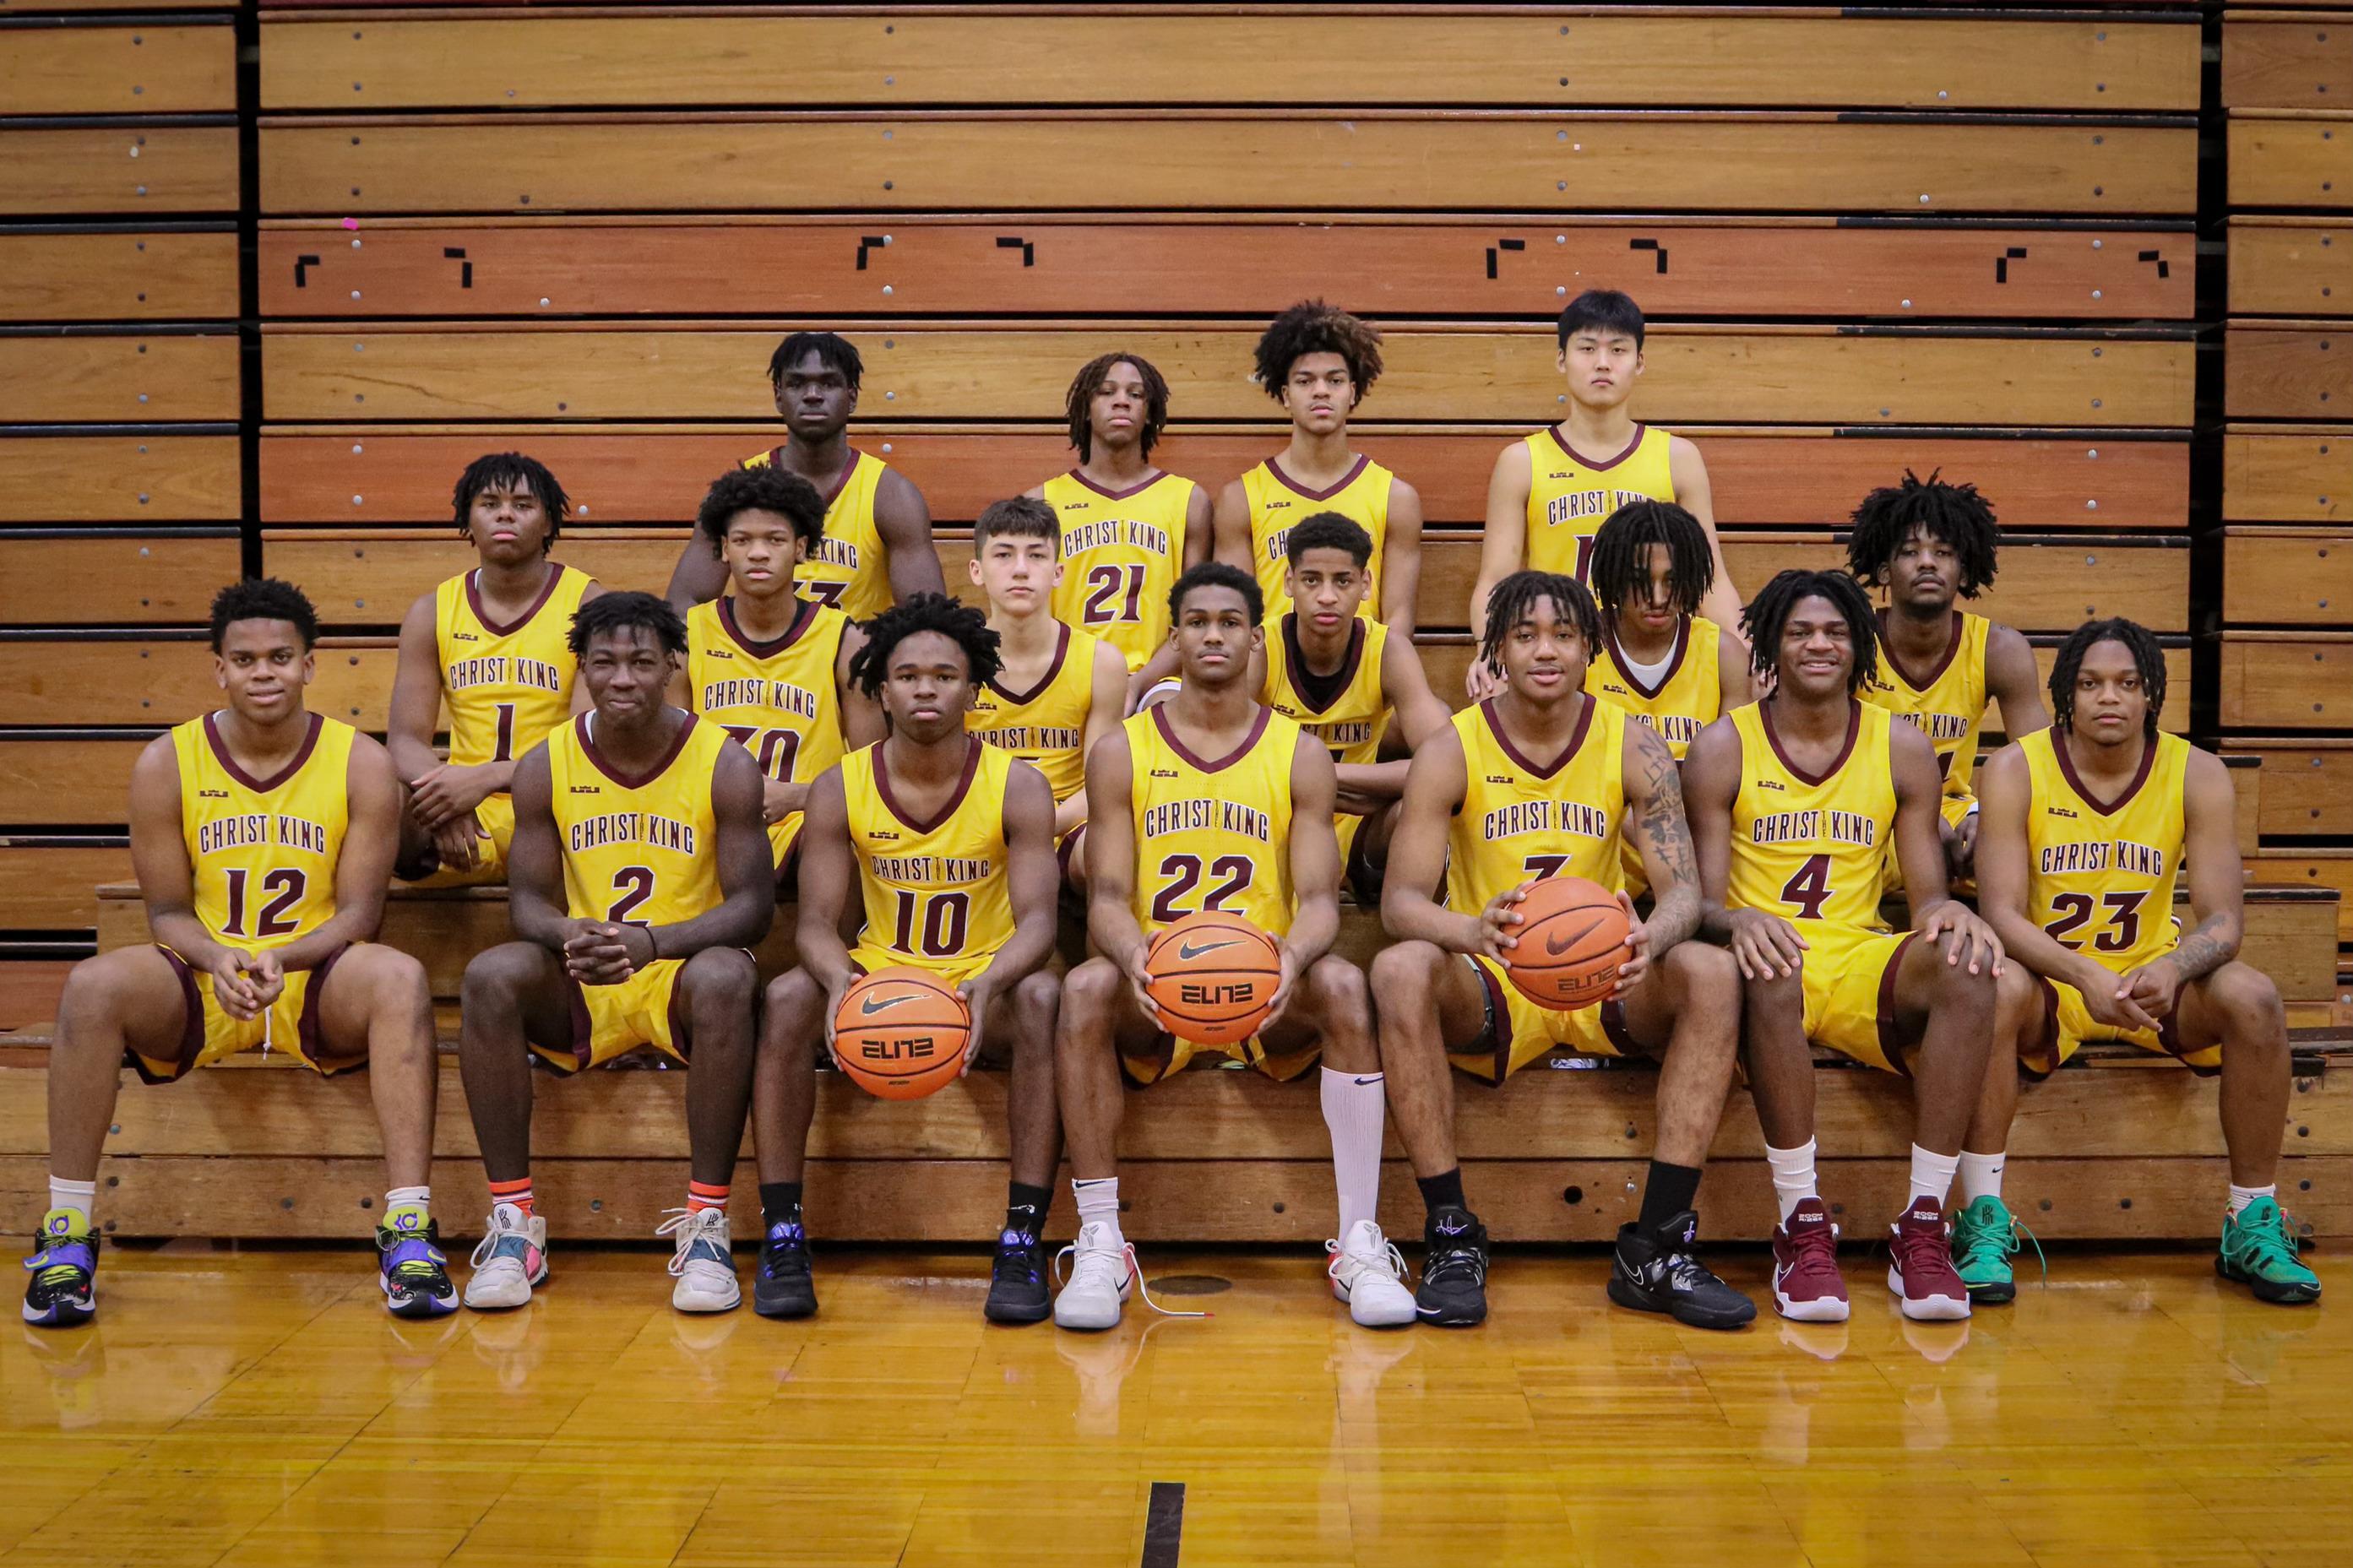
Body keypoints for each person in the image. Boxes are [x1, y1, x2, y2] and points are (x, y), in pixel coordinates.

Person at [24, 580, 448, 1327]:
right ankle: (67, 1237)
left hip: (316, 976)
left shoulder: (360, 763)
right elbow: (164, 911)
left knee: (401, 978)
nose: (263, 672)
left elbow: (359, 915)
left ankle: (409, 1230)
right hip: (202, 977)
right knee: (91, 986)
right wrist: (218, 958)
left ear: (311, 665)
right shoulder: (167, 761)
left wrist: (281, 957)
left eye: (281, 657)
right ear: (218, 667)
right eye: (245, 658)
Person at [1369, 571, 1753, 1330]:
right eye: (1525, 635)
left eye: (1564, 635)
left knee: (1709, 968)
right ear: (1498, 650)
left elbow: (1683, 891)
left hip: (1609, 975)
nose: (1545, 650)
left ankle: (1657, 1245)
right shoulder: (1452, 746)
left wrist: (1654, 933)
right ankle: (1450, 1231)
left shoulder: (1632, 743)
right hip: (1495, 977)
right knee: (1397, 965)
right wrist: (1471, 931)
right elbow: (1400, 903)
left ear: (1591, 649)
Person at [1052, 562, 1411, 1332]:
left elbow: (1319, 901)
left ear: (1255, 637)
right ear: (1174, 637)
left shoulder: (1299, 754)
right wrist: (1135, 957)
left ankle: (1357, 1240)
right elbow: (1107, 899)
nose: (1211, 634)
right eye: (1195, 622)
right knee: (1083, 987)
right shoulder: (1120, 750)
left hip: (1263, 985)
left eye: (1227, 622)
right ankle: (1100, 1240)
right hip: (1158, 981)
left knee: (1345, 983)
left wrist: (1291, 958)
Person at [1682, 569, 2008, 1323]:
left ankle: (1923, 1221)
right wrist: (1738, 920)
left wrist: (1954, 917)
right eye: (1799, 631)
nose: (1818, 644)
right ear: (1769, 645)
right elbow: (1698, 902)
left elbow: (1926, 894)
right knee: (1770, 967)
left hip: (1859, 954)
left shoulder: (1900, 744)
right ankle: (1802, 1223)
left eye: (1834, 631)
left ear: (1860, 644)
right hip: (1765, 957)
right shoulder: (1723, 746)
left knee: (1968, 964)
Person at [1968, 618, 2319, 1305]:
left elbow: (2224, 921)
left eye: (2128, 684)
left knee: (2254, 996)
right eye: (2093, 683)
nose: (2111, 698)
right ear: (2067, 691)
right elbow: (2001, 915)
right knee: (1992, 985)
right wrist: (2083, 974)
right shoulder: (2015, 767)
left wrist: (2178, 966)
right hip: (2054, 983)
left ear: (2152, 694)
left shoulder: (2198, 772)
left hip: (2153, 985)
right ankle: (1981, 1218)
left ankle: (2250, 1218)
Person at [752, 594, 1066, 1323]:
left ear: (974, 686)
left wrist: (988, 985)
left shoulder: (1018, 783)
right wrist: (837, 982)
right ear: (881, 688)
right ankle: (784, 1232)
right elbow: (818, 924)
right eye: (909, 675)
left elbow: (1041, 921)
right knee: (788, 997)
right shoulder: (840, 784)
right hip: (882, 973)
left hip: (987, 971)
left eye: (946, 675)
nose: (927, 688)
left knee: (1048, 998)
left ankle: (1022, 1236)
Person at [456, 593, 773, 1316]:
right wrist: (574, 936)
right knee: (489, 975)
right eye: (604, 662)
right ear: (584, 670)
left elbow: (753, 908)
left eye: (640, 661)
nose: (621, 677)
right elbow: (527, 904)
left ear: (671, 667)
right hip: (588, 970)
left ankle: (706, 1224)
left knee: (729, 975)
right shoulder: (545, 762)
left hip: (679, 974)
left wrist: (653, 943)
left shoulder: (723, 762)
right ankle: (514, 1226)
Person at [1467, 290, 1739, 697]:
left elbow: (1710, 579)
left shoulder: (1678, 458)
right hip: (1560, 652)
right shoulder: (1521, 461)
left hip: (1649, 649)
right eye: (1587, 348)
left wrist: (1751, 649)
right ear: (1561, 358)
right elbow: (1496, 577)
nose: (1602, 363)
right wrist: (1489, 650)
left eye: (1618, 349)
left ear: (1639, 362)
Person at [388, 453, 601, 884]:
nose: (506, 513)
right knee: (381, 800)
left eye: (523, 505)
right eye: (490, 503)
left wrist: (485, 779)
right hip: (465, 812)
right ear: (468, 519)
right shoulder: (432, 611)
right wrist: (443, 798)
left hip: (558, 805)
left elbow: (586, 742)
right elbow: (405, 739)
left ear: (547, 523)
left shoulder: (589, 605)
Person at [674, 465, 882, 889]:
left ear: (801, 548)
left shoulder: (845, 640)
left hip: (804, 819)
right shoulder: (686, 636)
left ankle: (829, 953)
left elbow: (874, 771)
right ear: (723, 550)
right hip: (704, 817)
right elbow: (668, 760)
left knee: (843, 837)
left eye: (774, 540)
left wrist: (800, 796)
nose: (758, 553)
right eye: (743, 540)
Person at [1849, 471, 2048, 882]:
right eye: (1909, 552)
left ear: (1964, 568)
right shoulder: (1852, 641)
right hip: (1862, 806)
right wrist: (1913, 816)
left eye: (1943, 552)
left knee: (2025, 845)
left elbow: (2042, 766)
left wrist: (1989, 816)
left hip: (1955, 808)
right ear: (1885, 570)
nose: (1927, 562)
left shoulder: (1999, 649)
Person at [664, 330, 943, 619]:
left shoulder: (889, 494)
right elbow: (684, 605)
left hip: (854, 660)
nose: (812, 396)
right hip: (761, 661)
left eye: (828, 383)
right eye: (797, 384)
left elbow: (927, 618)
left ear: (852, 397)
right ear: (778, 397)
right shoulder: (738, 492)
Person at [1253, 513, 1451, 902]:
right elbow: (1227, 762)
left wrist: (1319, 776)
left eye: (1342, 581)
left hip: (1360, 828)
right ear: (1289, 582)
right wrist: (1357, 784)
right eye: (1312, 580)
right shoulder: (1262, 648)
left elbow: (1445, 769)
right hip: (1278, 824)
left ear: (1364, 585)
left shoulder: (1388, 649)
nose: (1327, 596)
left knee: (1418, 803)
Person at [1214, 301, 1425, 637]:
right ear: (1285, 395)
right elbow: (1238, 619)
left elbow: (1398, 621)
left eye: (1335, 380)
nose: (1321, 391)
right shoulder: (1241, 498)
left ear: (1352, 392)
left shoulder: (1395, 498)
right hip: (1270, 681)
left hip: (1363, 681)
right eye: (1305, 381)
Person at [1582, 500, 1754, 898]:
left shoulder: (1722, 653)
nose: (1658, 597)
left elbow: (1736, 782)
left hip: (1697, 843)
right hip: (1606, 845)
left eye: (1672, 581)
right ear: (1612, 577)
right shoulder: (1582, 647)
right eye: (1642, 581)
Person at [1027, 352, 1211, 708]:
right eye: (1106, 391)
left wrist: (1137, 683)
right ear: (1085, 408)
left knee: (1169, 709)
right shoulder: (1041, 502)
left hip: (1158, 677)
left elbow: (1195, 615)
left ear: (1150, 413)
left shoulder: (1189, 501)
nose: (1121, 400)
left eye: (1136, 394)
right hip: (1065, 670)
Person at [962, 496, 1127, 884]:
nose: (1020, 570)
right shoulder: (954, 661)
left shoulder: (1101, 662)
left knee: (1108, 850)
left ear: (1057, 572)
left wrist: (1035, 827)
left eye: (1036, 556)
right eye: (1003, 555)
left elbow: (1100, 788)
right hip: (973, 825)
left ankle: (1101, 947)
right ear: (976, 570)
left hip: (1068, 825)